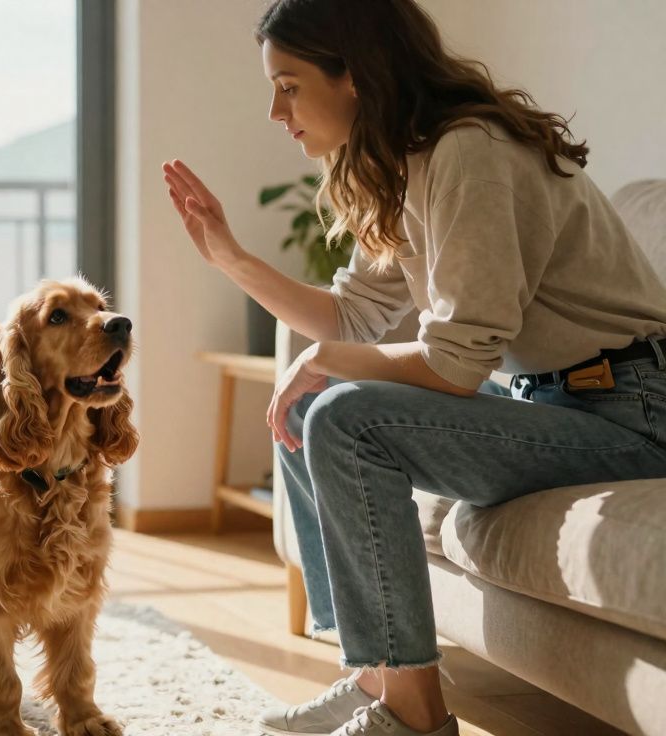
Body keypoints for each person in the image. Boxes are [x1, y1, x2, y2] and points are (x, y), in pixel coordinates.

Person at [162, 1, 666, 735]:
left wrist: (332, 362)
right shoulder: (408, 163)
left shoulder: (471, 153)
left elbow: (459, 364)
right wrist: (231, 258)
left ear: (356, 75)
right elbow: (353, 316)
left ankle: (413, 717)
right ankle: (374, 678)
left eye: (291, 84)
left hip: (633, 413)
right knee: (311, 403)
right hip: (551, 406)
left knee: (339, 408)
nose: (276, 110)